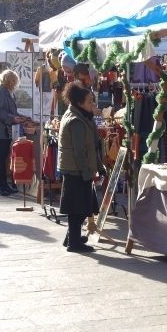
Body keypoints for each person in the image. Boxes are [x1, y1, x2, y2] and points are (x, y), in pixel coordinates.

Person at [58, 82, 104, 253]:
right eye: (89, 101)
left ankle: (72, 237)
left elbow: (92, 147)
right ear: (79, 103)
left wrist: (99, 167)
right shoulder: (76, 121)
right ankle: (74, 243)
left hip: (80, 169)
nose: (92, 105)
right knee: (77, 208)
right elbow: (79, 152)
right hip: (75, 169)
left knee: (83, 206)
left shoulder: (82, 117)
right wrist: (87, 172)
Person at [0, 69, 26, 196]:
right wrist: (12, 118)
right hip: (0, 130)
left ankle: (4, 185)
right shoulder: (0, 92)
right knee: (1, 157)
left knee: (4, 157)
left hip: (6, 129)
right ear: (10, 80)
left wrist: (23, 118)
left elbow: (11, 112)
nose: (16, 83)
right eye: (14, 81)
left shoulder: (9, 93)